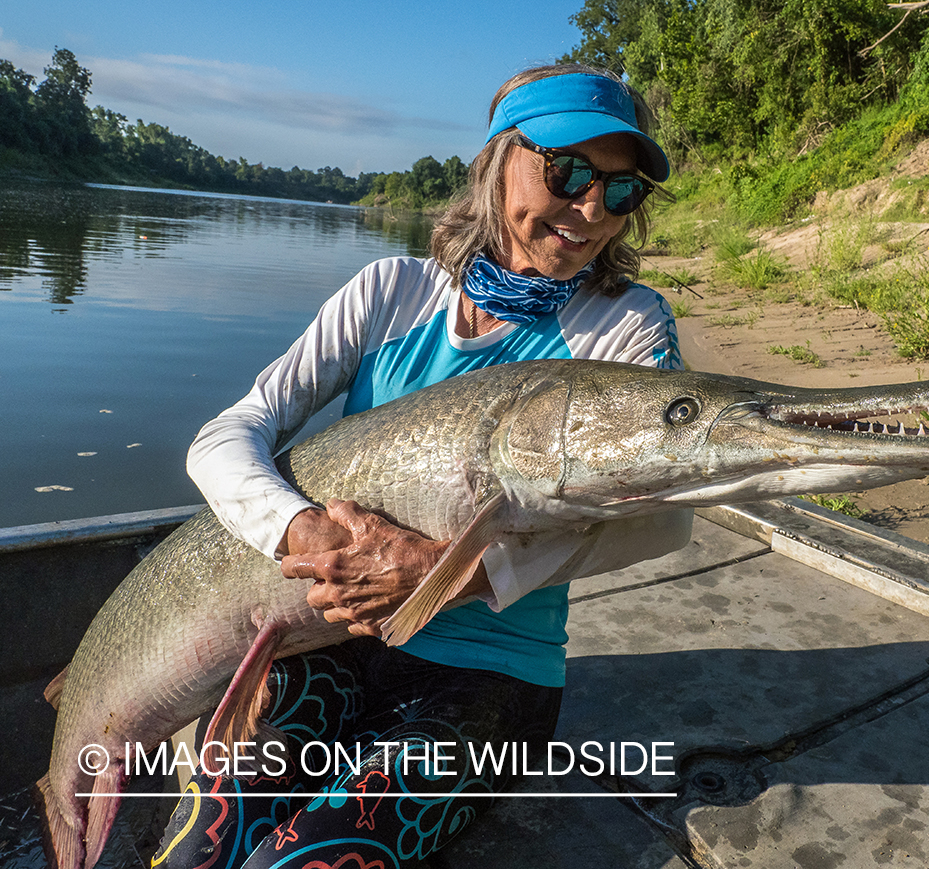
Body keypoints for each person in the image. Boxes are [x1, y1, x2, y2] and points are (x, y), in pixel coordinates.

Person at [153, 64, 693, 869]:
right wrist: (301, 530)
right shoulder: (389, 292)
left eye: (620, 191)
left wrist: (450, 573)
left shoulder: (624, 328)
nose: (591, 209)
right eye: (569, 170)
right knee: (205, 846)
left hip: (487, 675)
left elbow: (665, 515)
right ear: (496, 161)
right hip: (326, 643)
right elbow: (231, 433)